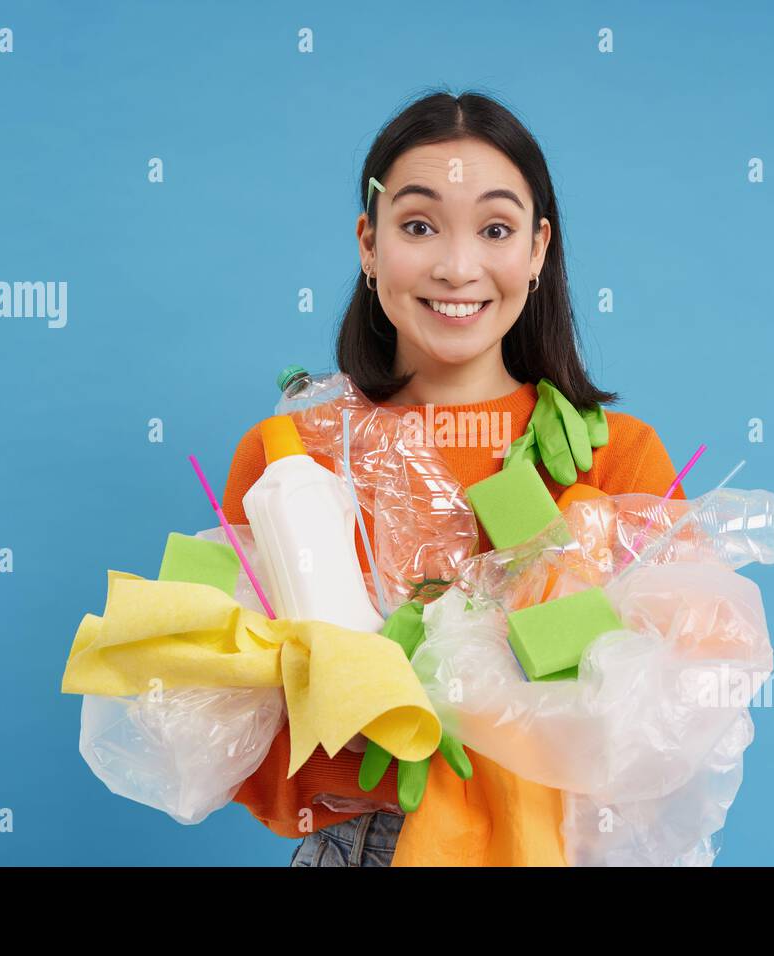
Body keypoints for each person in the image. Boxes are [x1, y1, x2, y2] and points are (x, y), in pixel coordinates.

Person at [220, 88, 686, 867]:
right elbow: (238, 715)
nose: (457, 266)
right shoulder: (293, 454)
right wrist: (368, 706)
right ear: (369, 245)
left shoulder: (613, 459)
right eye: (418, 225)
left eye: (496, 229)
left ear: (538, 251)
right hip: (363, 838)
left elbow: (672, 712)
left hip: (555, 843)